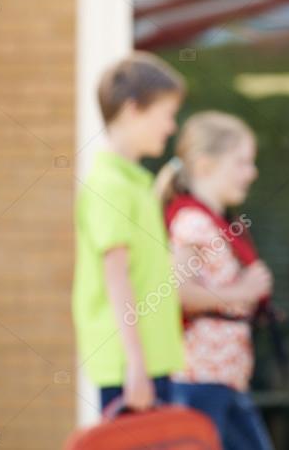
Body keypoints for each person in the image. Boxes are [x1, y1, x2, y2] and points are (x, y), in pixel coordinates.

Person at [154, 111, 275, 450]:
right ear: (205, 165)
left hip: (227, 379)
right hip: (201, 379)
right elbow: (181, 292)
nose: (251, 173)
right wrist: (244, 290)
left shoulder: (216, 222)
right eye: (241, 163)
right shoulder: (192, 222)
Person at [72, 52, 186, 411]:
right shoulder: (111, 186)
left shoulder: (135, 184)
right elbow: (116, 277)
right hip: (131, 366)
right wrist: (135, 364)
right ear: (133, 108)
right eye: (166, 114)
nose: (171, 127)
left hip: (148, 361)